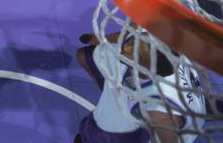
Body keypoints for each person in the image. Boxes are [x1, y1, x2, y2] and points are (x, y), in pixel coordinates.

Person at [75, 31, 205, 142]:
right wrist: (100, 39)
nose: (126, 48)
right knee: (84, 55)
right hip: (184, 96)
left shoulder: (158, 109)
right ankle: (112, 90)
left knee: (95, 136)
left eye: (139, 55)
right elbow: (134, 29)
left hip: (176, 126)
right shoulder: (154, 39)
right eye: (134, 42)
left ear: (149, 71)